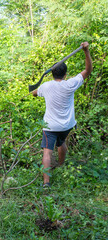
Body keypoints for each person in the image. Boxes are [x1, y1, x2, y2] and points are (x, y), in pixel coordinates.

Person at [32, 42, 92, 188]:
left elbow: (34, 92)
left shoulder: (46, 86)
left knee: (47, 152)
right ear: (65, 74)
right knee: (62, 143)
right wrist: (86, 52)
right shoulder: (70, 84)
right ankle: (60, 165)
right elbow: (88, 70)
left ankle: (46, 183)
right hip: (66, 125)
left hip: (50, 126)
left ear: (52, 73)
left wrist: (35, 91)